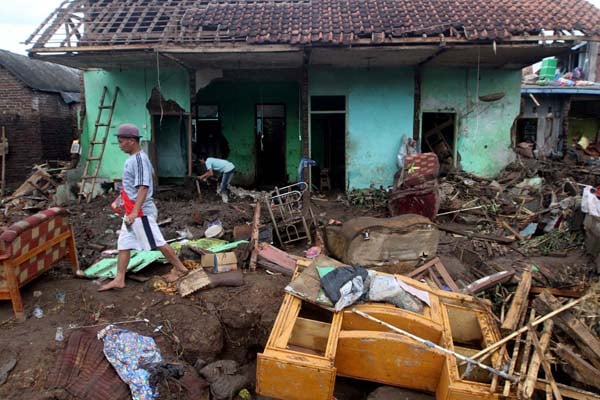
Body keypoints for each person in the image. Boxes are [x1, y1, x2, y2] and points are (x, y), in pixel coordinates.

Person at [99, 123, 189, 291]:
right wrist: (121, 199)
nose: (119, 145)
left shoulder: (139, 159)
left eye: (121, 141)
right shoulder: (133, 159)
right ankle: (119, 279)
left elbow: (143, 186)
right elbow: (132, 186)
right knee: (124, 244)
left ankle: (182, 269)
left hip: (140, 212)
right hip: (132, 211)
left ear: (132, 141)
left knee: (158, 242)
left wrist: (134, 211)